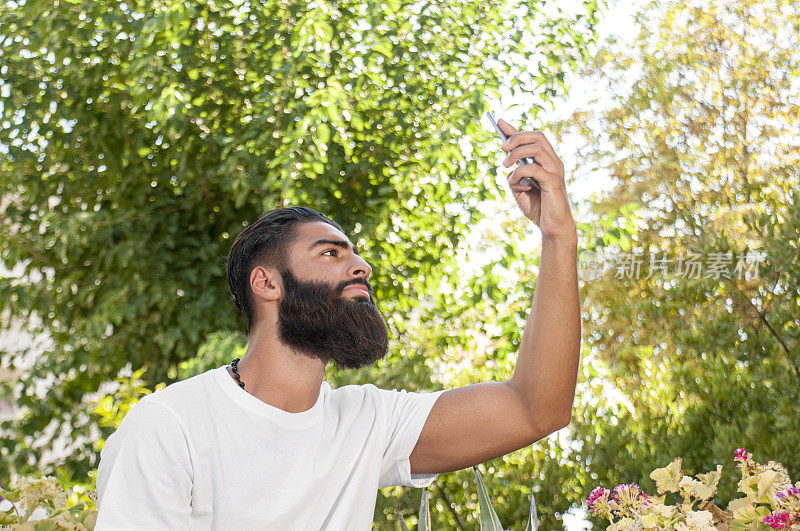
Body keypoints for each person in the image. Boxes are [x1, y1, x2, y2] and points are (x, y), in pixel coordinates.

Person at [95, 119, 580, 529]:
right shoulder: (171, 426)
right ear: (266, 283)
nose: (362, 266)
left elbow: (536, 410)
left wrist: (559, 234)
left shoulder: (367, 423)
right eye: (329, 252)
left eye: (355, 253)